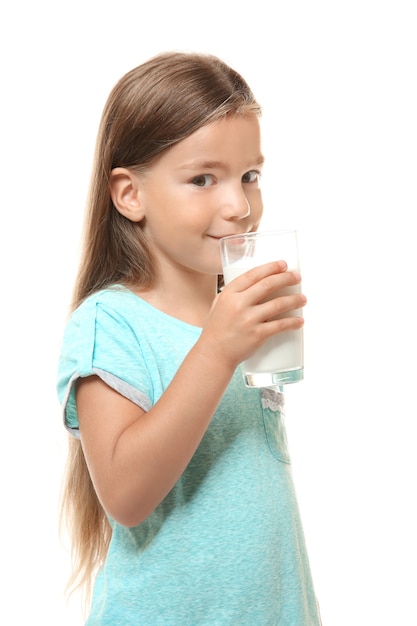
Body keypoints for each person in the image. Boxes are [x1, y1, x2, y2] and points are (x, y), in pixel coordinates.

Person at [57, 51, 321, 625]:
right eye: (203, 179)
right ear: (130, 195)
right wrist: (218, 349)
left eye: (249, 175)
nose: (239, 205)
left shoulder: (236, 308)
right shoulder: (111, 323)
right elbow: (126, 497)